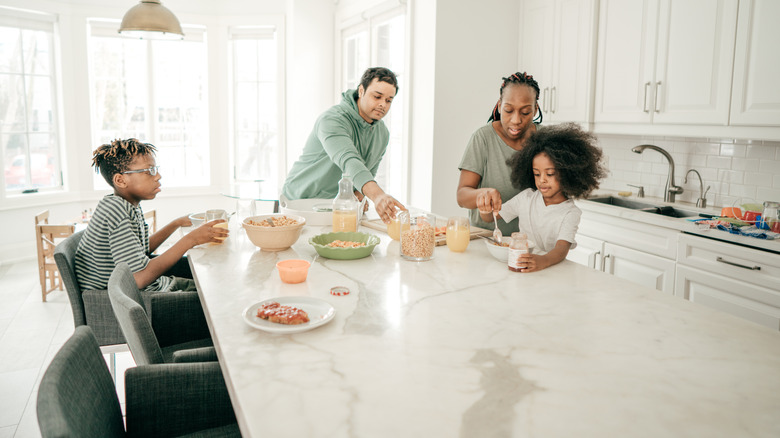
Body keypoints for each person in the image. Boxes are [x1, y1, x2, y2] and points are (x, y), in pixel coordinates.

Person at [75, 138, 228, 292]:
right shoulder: (117, 212)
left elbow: (142, 251)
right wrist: (191, 239)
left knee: (212, 282)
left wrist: (176, 223)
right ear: (120, 180)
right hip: (136, 299)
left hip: (153, 287)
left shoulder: (125, 204)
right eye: (149, 171)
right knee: (215, 292)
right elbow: (138, 280)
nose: (158, 176)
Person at [281, 67, 406, 223]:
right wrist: (378, 196)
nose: (383, 105)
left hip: (336, 208)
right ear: (361, 91)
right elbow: (349, 161)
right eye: (377, 96)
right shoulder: (332, 120)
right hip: (300, 203)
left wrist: (358, 197)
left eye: (388, 100)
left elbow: (367, 173)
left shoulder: (382, 134)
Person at [480, 123, 607, 272]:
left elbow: (561, 249)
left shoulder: (570, 213)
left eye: (550, 174)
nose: (542, 180)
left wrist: (543, 261)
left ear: (568, 173)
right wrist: (485, 208)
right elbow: (490, 218)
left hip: (551, 269)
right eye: (537, 174)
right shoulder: (526, 198)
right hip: (522, 264)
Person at [457, 72, 543, 237]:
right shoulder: (483, 138)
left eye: (525, 112)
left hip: (530, 243)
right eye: (508, 110)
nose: (516, 120)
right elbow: (462, 196)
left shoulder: (545, 139)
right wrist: (482, 194)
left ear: (535, 109)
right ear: (499, 105)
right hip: (485, 240)